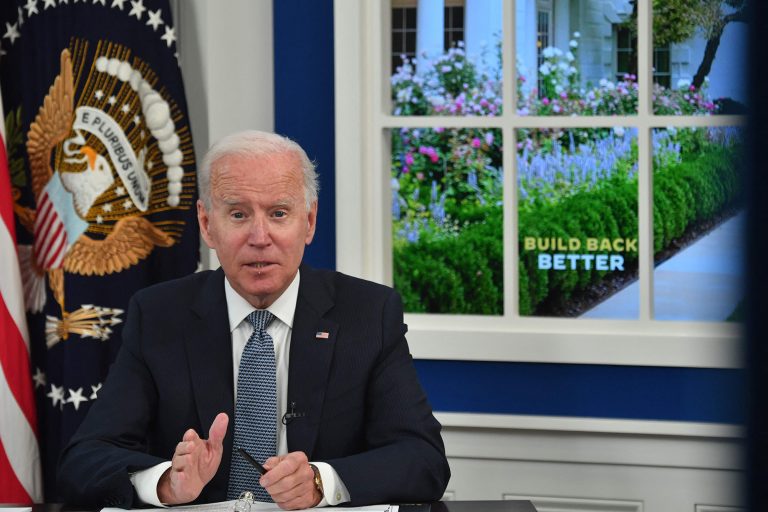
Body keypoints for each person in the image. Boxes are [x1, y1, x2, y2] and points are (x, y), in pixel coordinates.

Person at [57, 130, 450, 510]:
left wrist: (320, 481)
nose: (259, 237)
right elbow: (83, 461)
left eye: (279, 213)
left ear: (309, 222)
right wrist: (165, 483)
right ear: (207, 224)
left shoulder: (367, 313)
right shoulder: (159, 314)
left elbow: (423, 459)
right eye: (239, 214)